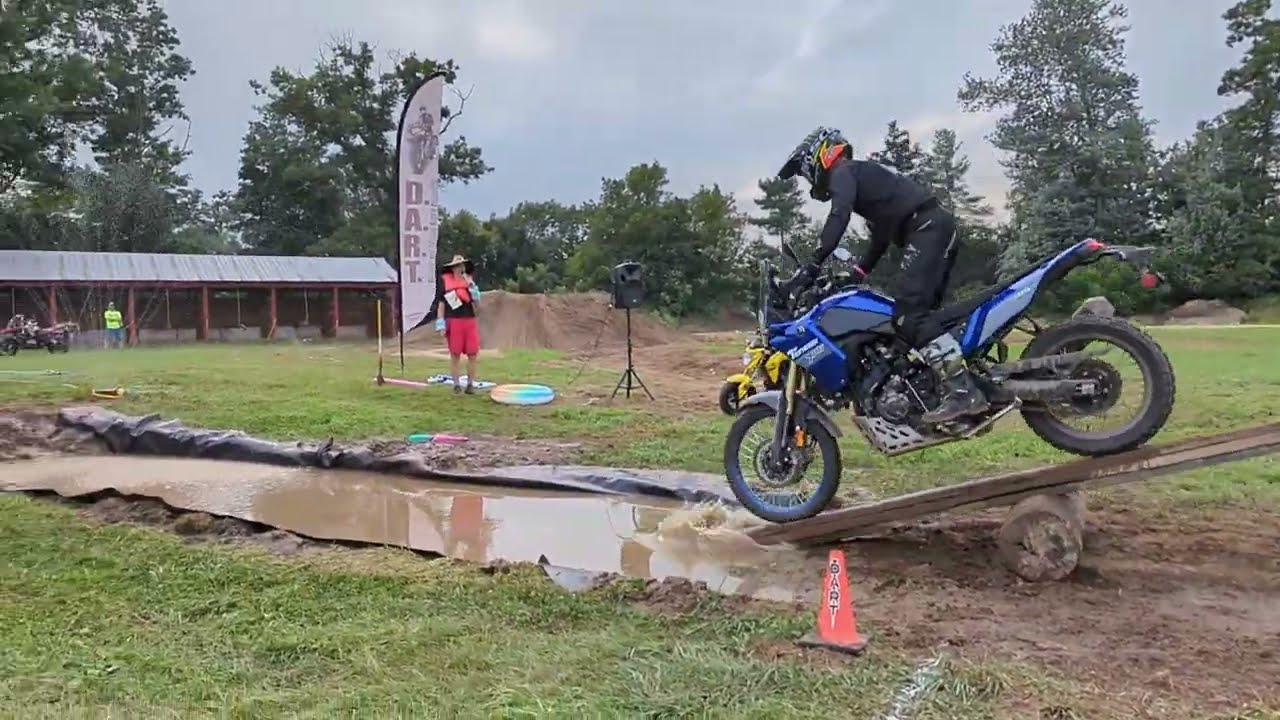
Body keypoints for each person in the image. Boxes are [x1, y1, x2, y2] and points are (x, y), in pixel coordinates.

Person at [777, 126, 988, 424]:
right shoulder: (863, 180)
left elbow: (839, 216)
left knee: (907, 315)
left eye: (804, 170)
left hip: (927, 228)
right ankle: (941, 387)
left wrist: (812, 265)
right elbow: (880, 239)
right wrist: (857, 273)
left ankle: (963, 393)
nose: (807, 177)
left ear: (820, 155)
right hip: (932, 228)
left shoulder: (843, 172)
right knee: (921, 319)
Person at [433, 255, 482, 394]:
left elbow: (478, 306)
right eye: (458, 266)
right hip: (453, 321)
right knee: (455, 355)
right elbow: (441, 305)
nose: (460, 268)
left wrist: (473, 289)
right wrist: (441, 324)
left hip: (469, 321)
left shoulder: (470, 283)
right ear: (452, 268)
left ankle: (470, 385)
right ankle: (456, 385)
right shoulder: (445, 283)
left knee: (472, 354)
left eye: (462, 266)